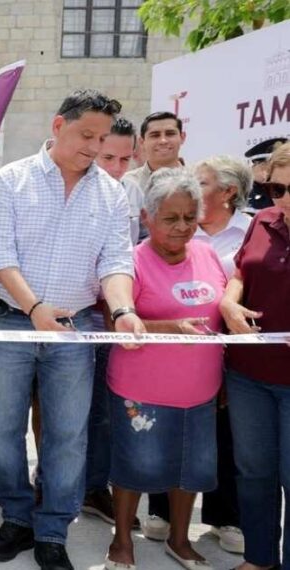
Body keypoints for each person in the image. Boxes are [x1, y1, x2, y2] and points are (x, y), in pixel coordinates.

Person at [0, 89, 144, 570]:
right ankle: (17, 519)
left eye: (102, 138)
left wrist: (124, 307)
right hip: (8, 320)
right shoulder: (11, 181)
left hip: (74, 329)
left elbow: (115, 260)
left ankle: (52, 529)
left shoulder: (111, 193)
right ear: (58, 126)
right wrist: (33, 308)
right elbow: (0, 257)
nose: (94, 147)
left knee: (68, 434)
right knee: (5, 430)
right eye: (85, 135)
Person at [103, 168, 226, 570]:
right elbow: (112, 323)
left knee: (190, 469)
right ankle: (122, 542)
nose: (182, 227)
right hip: (142, 393)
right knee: (134, 468)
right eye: (170, 218)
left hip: (201, 391)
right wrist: (170, 327)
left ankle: (179, 540)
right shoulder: (129, 262)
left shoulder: (208, 254)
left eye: (190, 217)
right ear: (147, 218)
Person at [219, 143, 290, 570]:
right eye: (274, 188)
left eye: (287, 189)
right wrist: (229, 303)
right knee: (254, 472)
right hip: (249, 373)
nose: (279, 198)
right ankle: (259, 559)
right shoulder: (263, 220)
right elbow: (241, 272)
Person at [81, 116, 145, 527]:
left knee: (105, 411)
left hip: (117, 318)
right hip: (75, 315)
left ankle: (93, 487)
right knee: (63, 411)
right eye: (108, 157)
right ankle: (53, 482)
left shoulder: (130, 194)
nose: (117, 168)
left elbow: (127, 257)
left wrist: (123, 308)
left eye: (125, 159)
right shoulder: (67, 188)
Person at [123, 111, 186, 196]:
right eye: (155, 135)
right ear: (142, 142)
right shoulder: (126, 184)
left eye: (170, 134)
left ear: (182, 137)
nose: (163, 141)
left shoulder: (198, 181)